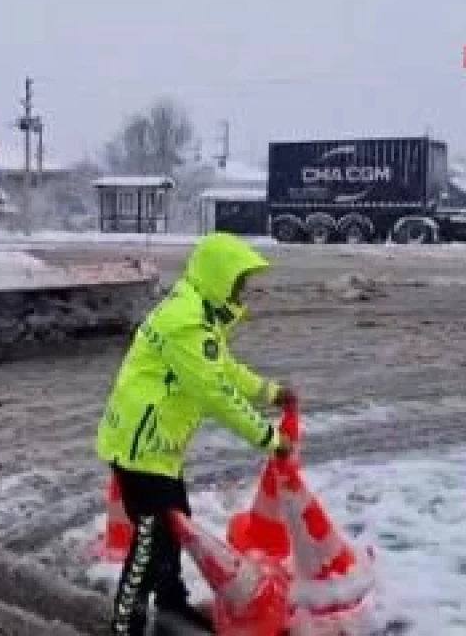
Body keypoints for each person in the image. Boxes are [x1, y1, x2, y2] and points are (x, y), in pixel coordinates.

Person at [94, 231, 298, 635]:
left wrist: (269, 392)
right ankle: (125, 625)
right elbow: (214, 392)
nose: (243, 291)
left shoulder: (198, 312)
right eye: (240, 282)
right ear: (219, 277)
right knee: (151, 541)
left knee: (173, 527)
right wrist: (269, 438)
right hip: (141, 448)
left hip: (155, 447)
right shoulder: (186, 323)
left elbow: (221, 368)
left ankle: (171, 608)